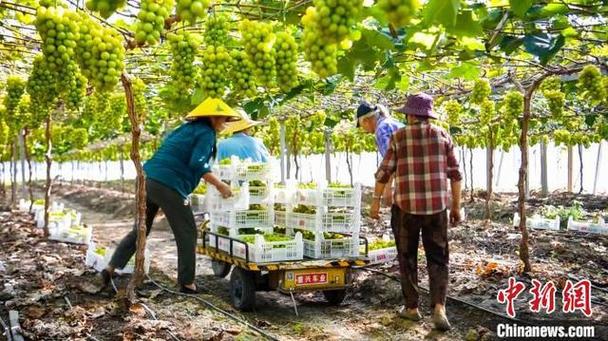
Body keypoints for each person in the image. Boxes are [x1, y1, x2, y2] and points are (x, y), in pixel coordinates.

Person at [100, 98, 242, 294]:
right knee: (187, 231)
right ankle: (187, 283)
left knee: (141, 229)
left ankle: (111, 268)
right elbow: (198, 164)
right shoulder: (206, 133)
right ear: (213, 117)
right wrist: (220, 185)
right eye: (224, 118)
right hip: (168, 184)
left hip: (146, 179)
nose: (225, 123)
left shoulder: (185, 129)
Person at [370, 93, 462, 331]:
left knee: (407, 256)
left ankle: (412, 308)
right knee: (438, 258)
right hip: (437, 208)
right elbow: (455, 174)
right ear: (428, 115)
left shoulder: (399, 137)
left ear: (410, 115)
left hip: (406, 209)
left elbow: (384, 172)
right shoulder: (443, 136)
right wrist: (456, 206)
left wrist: (376, 201)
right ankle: (439, 307)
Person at [356, 100, 404, 206]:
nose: (364, 130)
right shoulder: (393, 122)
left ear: (366, 121)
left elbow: (390, 161)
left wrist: (387, 189)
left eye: (362, 125)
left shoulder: (381, 129)